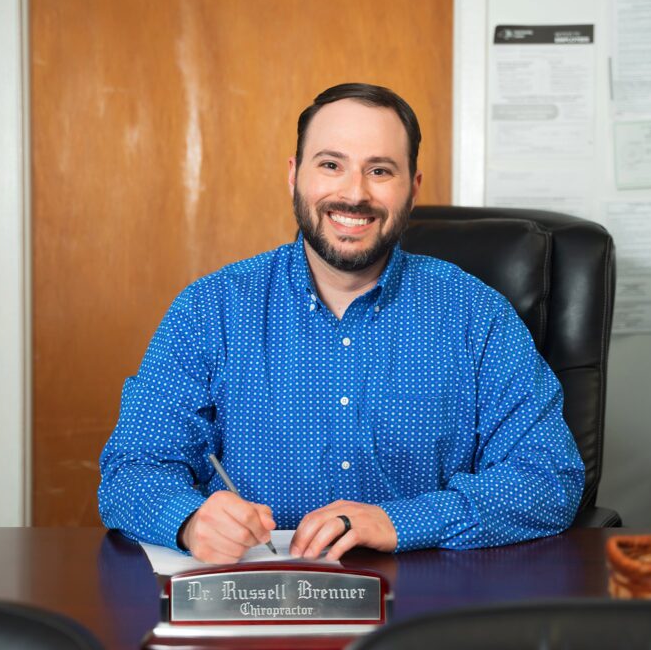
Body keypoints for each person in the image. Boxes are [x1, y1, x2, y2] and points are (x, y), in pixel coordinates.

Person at [98, 82, 584, 564]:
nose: (354, 194)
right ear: (294, 176)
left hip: (424, 612)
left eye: (380, 170)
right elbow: (129, 470)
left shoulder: (477, 315)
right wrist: (189, 518)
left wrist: (400, 521)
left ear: (412, 188)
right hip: (260, 597)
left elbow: (549, 477)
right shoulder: (210, 309)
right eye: (331, 165)